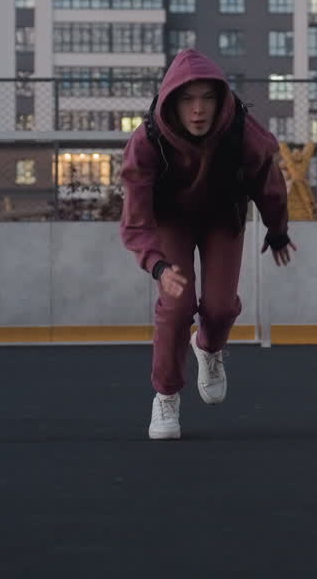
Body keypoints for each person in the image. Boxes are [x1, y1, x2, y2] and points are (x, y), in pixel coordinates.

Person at [120, 49, 295, 440]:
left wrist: (277, 228)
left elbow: (269, 182)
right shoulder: (147, 141)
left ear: (221, 100)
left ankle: (209, 349)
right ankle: (166, 395)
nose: (198, 110)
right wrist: (158, 265)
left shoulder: (241, 131)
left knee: (218, 307)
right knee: (176, 307)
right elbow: (134, 219)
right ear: (171, 103)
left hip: (222, 218)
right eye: (187, 99)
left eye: (207, 98)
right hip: (172, 222)